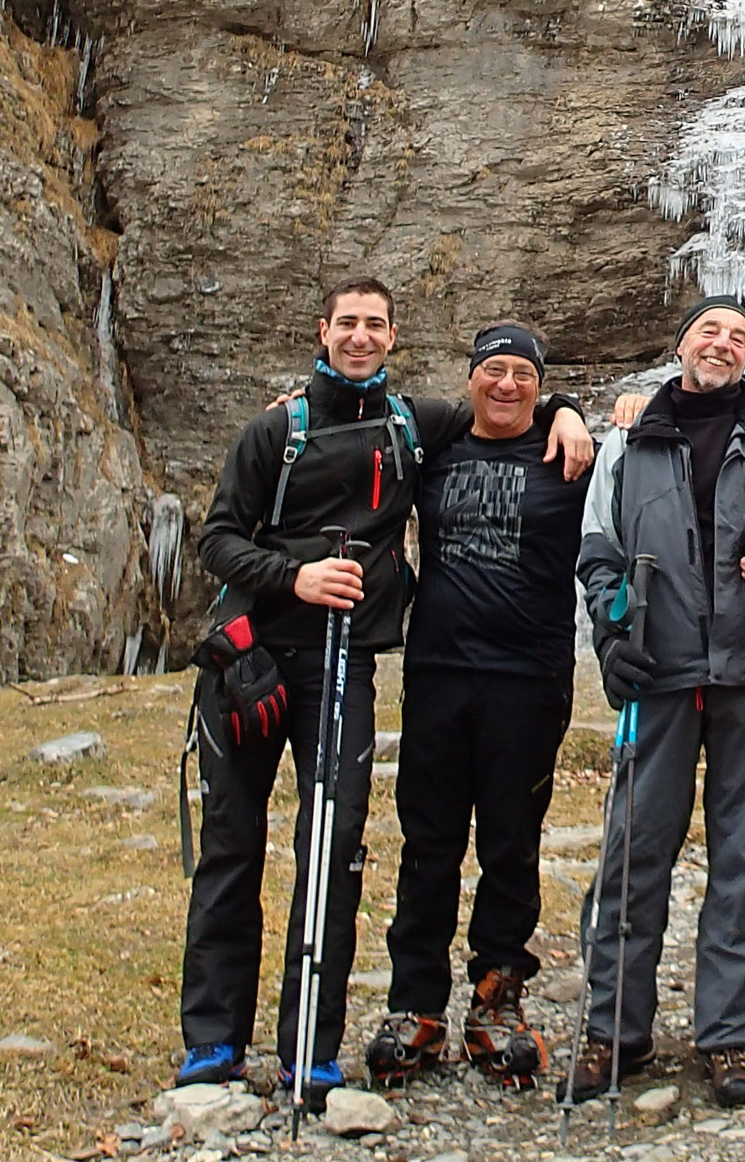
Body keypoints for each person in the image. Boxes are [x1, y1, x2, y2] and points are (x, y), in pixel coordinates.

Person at [177, 280, 593, 1099]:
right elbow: (218, 535)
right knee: (245, 846)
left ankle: (344, 1037)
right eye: (348, 324)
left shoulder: (441, 427)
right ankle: (231, 1036)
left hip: (394, 668)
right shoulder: (293, 430)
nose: (361, 336)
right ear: (323, 330)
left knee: (348, 849)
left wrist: (572, 406)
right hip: (273, 663)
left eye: (376, 325)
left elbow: (531, 400)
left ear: (394, 336)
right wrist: (292, 577)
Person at [565, 296, 745, 1109]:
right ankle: (614, 1029)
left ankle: (730, 1038)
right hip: (663, 667)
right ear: (681, 345)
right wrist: (614, 638)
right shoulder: (629, 438)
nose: (723, 343)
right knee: (633, 850)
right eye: (709, 331)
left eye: (738, 336)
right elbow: (599, 552)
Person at [365, 323, 592, 1090]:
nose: (506, 384)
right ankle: (415, 1004)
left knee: (511, 844)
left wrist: (576, 410)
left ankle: (498, 997)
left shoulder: (570, 455)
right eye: (493, 370)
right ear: (469, 380)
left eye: (523, 374)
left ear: (538, 383)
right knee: (427, 843)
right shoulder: (436, 449)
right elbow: (359, 419)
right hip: (438, 673)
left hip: (528, 681)